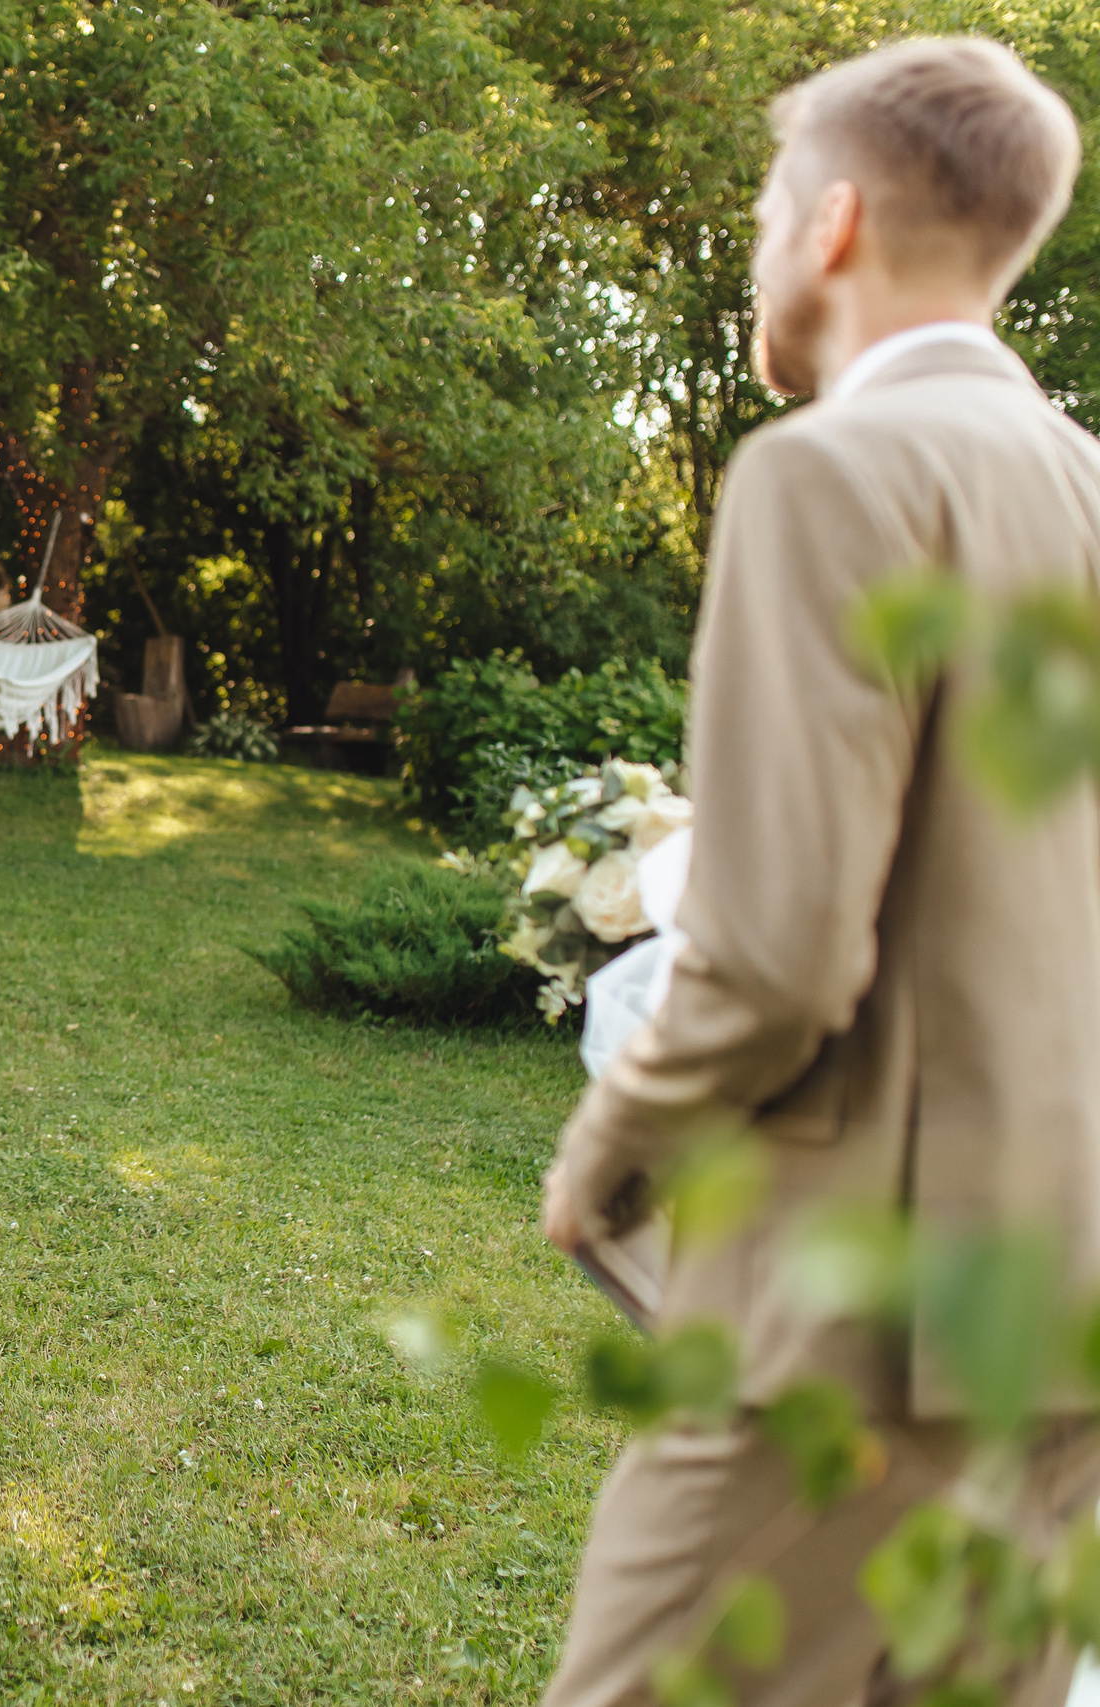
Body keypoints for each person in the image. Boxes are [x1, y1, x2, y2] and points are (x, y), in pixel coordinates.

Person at [537, 39, 1100, 1707]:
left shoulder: (829, 474)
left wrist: (606, 1149)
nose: (763, 247)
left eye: (769, 209)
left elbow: (783, 958)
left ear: (834, 222)